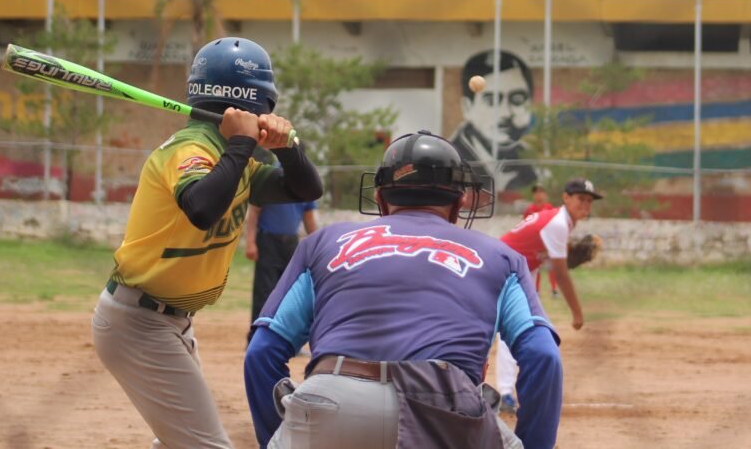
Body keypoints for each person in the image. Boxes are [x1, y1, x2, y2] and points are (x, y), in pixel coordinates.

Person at [245, 130, 563, 449]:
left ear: (380, 198)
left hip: (330, 400)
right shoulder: (502, 257)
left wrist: (286, 434)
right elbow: (543, 356)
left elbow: (261, 353)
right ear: (460, 201)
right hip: (446, 407)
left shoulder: (322, 243)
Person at [91, 37, 323, 449]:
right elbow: (201, 207)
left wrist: (287, 148)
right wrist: (241, 144)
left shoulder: (233, 159)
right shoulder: (191, 149)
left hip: (170, 321)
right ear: (259, 100)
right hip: (140, 322)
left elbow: (306, 188)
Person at [494, 177, 603, 415]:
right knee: (515, 328)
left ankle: (508, 391)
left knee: (520, 327)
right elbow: (560, 274)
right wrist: (577, 312)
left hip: (518, 269)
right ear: (566, 198)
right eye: (581, 198)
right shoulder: (558, 224)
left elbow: (540, 254)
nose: (586, 204)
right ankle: (505, 392)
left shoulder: (561, 221)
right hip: (503, 269)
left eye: (589, 200)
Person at [451, 49, 538, 192]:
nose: (506, 113)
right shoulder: (450, 160)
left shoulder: (532, 162)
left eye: (517, 99)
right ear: (467, 108)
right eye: (491, 101)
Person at [244, 195, 318, 345]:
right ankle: (256, 340)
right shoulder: (270, 182)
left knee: (291, 294)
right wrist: (250, 242)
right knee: (265, 291)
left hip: (291, 243)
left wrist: (318, 246)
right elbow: (254, 212)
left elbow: (308, 217)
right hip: (267, 241)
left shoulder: (306, 186)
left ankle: (287, 341)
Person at [522, 184, 559, 299]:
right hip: (534, 243)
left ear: (545, 195)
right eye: (536, 192)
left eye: (541, 192)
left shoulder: (549, 208)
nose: (538, 195)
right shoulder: (530, 210)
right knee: (535, 267)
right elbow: (524, 226)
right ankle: (536, 290)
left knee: (551, 266)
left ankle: (554, 290)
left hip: (547, 242)